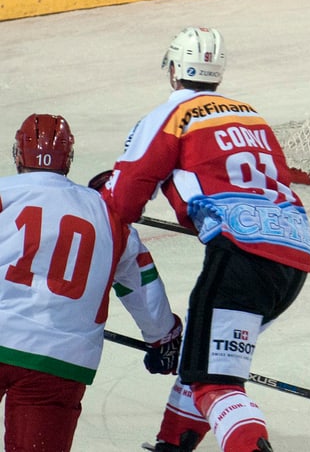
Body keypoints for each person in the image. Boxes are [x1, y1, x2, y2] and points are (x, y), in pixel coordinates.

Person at [101, 26, 310, 452]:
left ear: (175, 70)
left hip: (241, 255)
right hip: (295, 253)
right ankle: (172, 444)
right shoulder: (250, 115)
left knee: (213, 380)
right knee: (200, 358)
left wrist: (102, 199)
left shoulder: (171, 115)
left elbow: (125, 197)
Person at [0, 113, 181, 452]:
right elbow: (141, 282)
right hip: (59, 359)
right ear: (68, 159)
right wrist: (164, 338)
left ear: (17, 154)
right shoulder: (109, 214)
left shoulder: (4, 193)